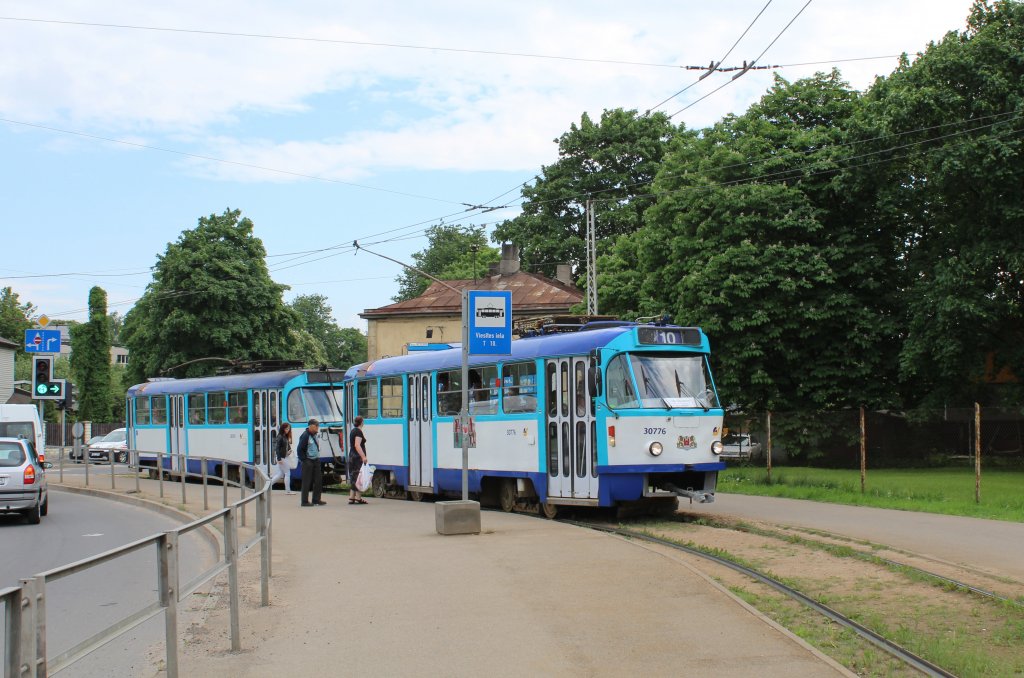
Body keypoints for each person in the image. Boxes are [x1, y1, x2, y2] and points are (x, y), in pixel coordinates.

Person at [296, 418, 325, 506]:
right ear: (311, 426)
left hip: (316, 460)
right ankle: (304, 501)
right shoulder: (305, 435)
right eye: (316, 426)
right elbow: (299, 449)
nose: (317, 427)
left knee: (318, 480)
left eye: (318, 425)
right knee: (306, 481)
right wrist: (304, 460)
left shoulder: (315, 434)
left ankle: (316, 499)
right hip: (308, 460)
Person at [267, 422, 295, 494]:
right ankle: (288, 491)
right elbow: (277, 448)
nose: (288, 430)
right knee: (287, 473)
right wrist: (279, 459)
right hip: (282, 458)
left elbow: (286, 447)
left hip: (283, 457)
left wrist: (289, 451)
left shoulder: (284, 436)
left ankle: (267, 486)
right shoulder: (280, 437)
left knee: (280, 474)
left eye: (288, 428)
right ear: (283, 429)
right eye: (286, 428)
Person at [348, 415, 368, 505]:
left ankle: (351, 497)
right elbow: (357, 445)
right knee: (359, 477)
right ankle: (358, 498)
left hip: (352, 455)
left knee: (353, 476)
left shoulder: (353, 431)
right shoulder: (358, 432)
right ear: (362, 422)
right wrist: (363, 456)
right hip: (357, 457)